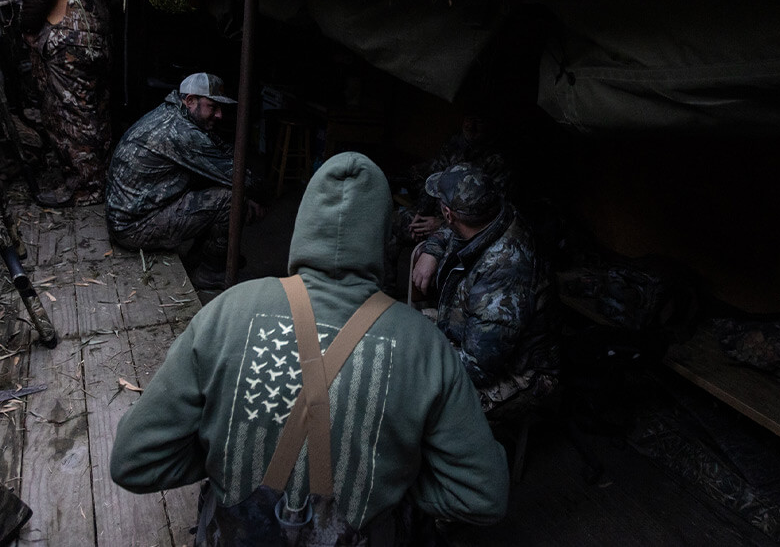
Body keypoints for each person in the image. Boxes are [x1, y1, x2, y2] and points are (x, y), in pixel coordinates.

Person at [109, 152, 508, 544]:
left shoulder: (227, 312)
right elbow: (482, 497)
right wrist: (390, 484)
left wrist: (225, 459)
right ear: (382, 234)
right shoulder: (425, 346)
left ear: (303, 223)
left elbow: (134, 461)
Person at [411, 163, 559, 419]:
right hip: (469, 333)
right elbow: (451, 230)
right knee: (398, 331)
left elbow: (479, 367)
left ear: (447, 213)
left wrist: (419, 361)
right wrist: (432, 251)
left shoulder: (504, 273)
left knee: (411, 392)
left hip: (519, 374)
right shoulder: (492, 214)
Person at [104, 72, 263, 289]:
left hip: (127, 215)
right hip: (134, 227)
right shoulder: (182, 133)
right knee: (229, 199)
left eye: (220, 108)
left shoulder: (172, 113)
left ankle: (198, 257)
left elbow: (217, 152)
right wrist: (249, 197)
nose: (219, 115)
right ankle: (210, 271)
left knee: (208, 182)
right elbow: (242, 179)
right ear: (190, 101)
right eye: (212, 107)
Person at [17, 0, 112, 205]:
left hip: (68, 31)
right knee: (90, 109)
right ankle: (100, 179)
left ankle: (85, 189)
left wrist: (28, 23)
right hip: (93, 27)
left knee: (70, 114)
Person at [384, 112, 509, 296]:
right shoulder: (454, 145)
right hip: (442, 217)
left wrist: (441, 225)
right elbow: (434, 179)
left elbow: (485, 220)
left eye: (479, 122)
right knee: (394, 224)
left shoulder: (497, 161)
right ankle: (386, 293)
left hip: (461, 229)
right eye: (468, 119)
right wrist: (421, 212)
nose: (471, 126)